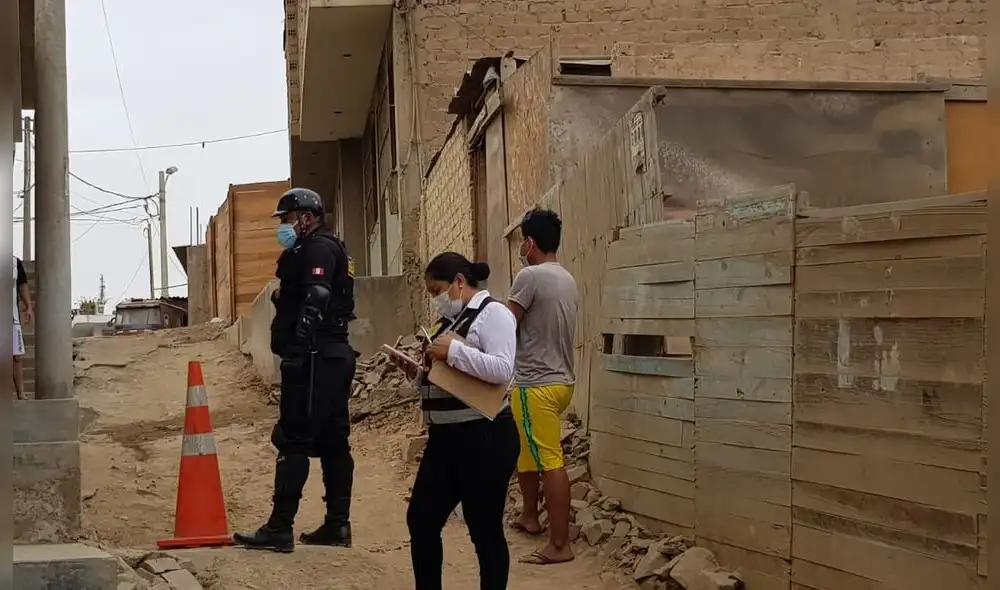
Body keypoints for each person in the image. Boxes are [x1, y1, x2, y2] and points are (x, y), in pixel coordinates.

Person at [234, 188, 358, 553]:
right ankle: (337, 526)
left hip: (317, 356)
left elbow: (317, 296)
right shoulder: (327, 246)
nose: (284, 227)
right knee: (335, 441)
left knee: (294, 438)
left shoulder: (317, 247)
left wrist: (299, 345)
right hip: (332, 355)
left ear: (306, 218)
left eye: (287, 220)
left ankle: (280, 528)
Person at [401, 252, 520, 590]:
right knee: (422, 519)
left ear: (459, 282)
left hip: (484, 437)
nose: (436, 299)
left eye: (437, 290)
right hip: (446, 440)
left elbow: (501, 369)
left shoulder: (493, 314)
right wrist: (419, 372)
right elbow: (451, 376)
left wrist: (451, 352)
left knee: (484, 529)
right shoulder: (449, 324)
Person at [506, 208, 579, 566]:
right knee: (526, 452)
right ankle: (529, 517)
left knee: (549, 459)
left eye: (522, 240)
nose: (521, 246)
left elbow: (506, 325)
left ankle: (560, 545)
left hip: (536, 383)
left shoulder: (529, 276)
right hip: (562, 381)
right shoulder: (566, 278)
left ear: (530, 243)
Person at [13, 256, 33, 400]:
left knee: (17, 356)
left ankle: (21, 393)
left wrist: (28, 306)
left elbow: (22, 284)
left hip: (11, 316)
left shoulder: (15, 262)